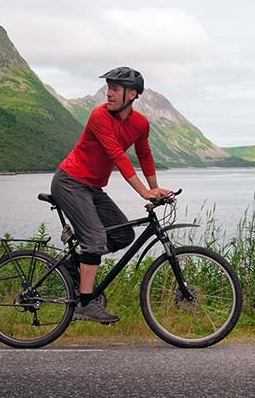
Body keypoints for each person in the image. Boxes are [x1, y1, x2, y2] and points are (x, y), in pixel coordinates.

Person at [50, 67, 171, 323]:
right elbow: (118, 155)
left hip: (92, 187)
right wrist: (144, 193)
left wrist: (155, 188)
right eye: (109, 88)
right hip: (70, 182)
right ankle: (84, 304)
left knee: (123, 234)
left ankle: (73, 267)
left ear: (132, 94)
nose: (109, 94)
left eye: (115, 89)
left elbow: (144, 155)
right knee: (94, 238)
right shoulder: (99, 116)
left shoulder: (140, 124)